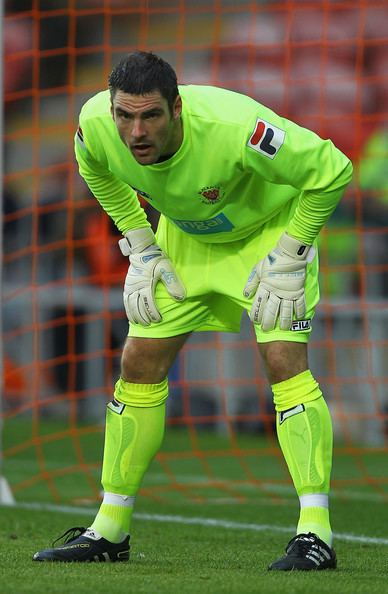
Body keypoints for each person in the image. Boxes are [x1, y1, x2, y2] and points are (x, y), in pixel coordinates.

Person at [33, 50, 353, 569]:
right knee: (138, 361)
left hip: (267, 239)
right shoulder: (94, 126)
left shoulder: (237, 127)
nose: (136, 131)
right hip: (183, 240)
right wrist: (140, 243)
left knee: (282, 361)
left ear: (177, 108)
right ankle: (110, 530)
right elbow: (95, 170)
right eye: (125, 115)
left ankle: (316, 534)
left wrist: (293, 252)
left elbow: (333, 169)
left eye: (151, 115)